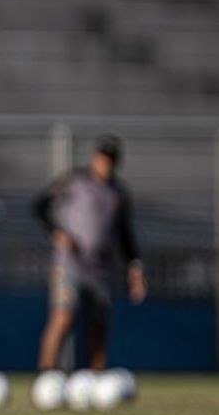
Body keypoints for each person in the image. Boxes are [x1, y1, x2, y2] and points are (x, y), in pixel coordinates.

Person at [33, 134, 147, 372]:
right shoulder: (75, 180)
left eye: (111, 160)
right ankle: (46, 373)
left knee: (98, 324)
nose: (106, 164)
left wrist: (135, 267)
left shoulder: (119, 193)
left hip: (100, 268)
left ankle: (97, 376)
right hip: (70, 263)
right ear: (95, 158)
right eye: (103, 158)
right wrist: (57, 232)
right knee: (63, 316)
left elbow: (125, 234)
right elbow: (40, 206)